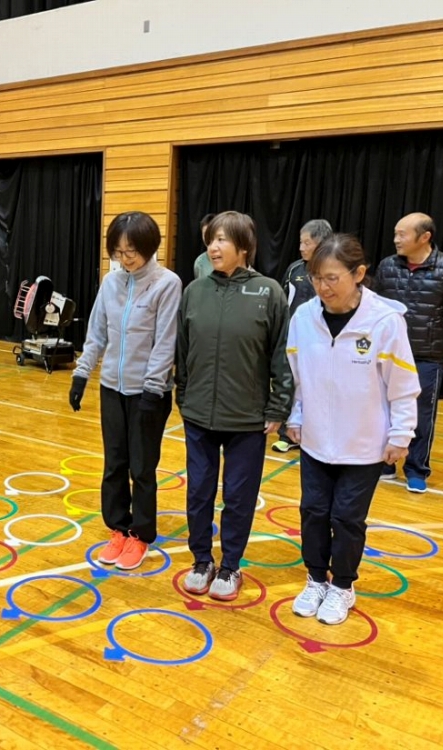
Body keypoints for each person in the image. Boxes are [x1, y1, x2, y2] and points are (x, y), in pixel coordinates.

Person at [285, 234, 421, 624]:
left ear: (359, 273)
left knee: (346, 518)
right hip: (315, 441)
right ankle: (315, 579)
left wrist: (401, 435)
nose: (323, 287)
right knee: (313, 512)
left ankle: (342, 586)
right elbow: (297, 377)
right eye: (316, 278)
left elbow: (403, 384)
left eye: (332, 278)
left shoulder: (385, 321)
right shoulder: (304, 317)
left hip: (363, 444)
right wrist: (295, 416)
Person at [176, 211, 292, 600]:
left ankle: (230, 566)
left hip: (247, 418)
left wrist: (278, 407)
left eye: (222, 239)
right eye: (211, 239)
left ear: (244, 246)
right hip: (198, 416)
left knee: (239, 497)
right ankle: (201, 560)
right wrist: (183, 394)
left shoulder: (269, 292)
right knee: (198, 493)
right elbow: (182, 349)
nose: (213, 246)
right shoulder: (195, 291)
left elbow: (282, 354)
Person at [69, 211, 182, 571]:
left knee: (142, 467)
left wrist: (152, 389)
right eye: (118, 251)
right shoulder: (110, 282)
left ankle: (140, 535)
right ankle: (118, 528)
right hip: (111, 389)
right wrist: (81, 375)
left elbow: (165, 342)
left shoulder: (167, 284)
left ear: (149, 247)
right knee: (114, 463)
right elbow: (97, 332)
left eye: (131, 250)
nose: (125, 258)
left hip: (148, 393)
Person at [374, 213, 443, 493]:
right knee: (383, 410)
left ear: (424, 237)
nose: (396, 239)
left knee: (420, 415)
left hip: (427, 355)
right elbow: (374, 305)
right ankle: (385, 464)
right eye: (395, 233)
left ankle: (416, 469)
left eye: (402, 234)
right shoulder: (387, 266)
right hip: (388, 353)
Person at [271, 218, 332, 453]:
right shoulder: (294, 269)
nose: (301, 247)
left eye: (306, 242)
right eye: (300, 242)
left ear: (321, 243)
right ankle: (288, 434)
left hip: (323, 341)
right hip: (294, 339)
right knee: (291, 383)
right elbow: (283, 302)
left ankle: (317, 435)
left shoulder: (333, 270)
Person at [192, 213, 217, 280]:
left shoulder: (229, 258)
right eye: (205, 234)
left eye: (211, 233)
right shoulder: (200, 261)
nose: (208, 238)